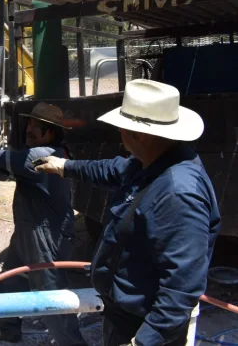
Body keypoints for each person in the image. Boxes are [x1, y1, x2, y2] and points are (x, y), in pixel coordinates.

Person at [35, 79, 221, 346]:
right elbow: (111, 170)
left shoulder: (178, 194)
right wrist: (64, 165)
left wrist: (142, 341)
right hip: (123, 315)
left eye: (124, 127)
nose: (120, 134)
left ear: (141, 134)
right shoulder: (152, 162)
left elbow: (180, 290)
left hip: (144, 327)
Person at [0, 103, 86, 346]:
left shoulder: (42, 157)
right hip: (30, 230)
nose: (29, 129)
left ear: (50, 132)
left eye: (37, 126)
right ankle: (8, 331)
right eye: (29, 123)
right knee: (10, 279)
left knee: (51, 298)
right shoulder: (49, 152)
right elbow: (1, 165)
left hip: (46, 237)